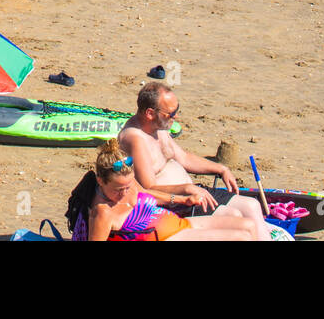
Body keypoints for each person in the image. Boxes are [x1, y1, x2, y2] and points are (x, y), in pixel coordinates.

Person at [118, 82, 269, 231]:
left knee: (252, 206)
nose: (176, 116)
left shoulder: (159, 126)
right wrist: (187, 189)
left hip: (193, 192)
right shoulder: (135, 139)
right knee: (234, 216)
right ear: (150, 113)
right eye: (171, 113)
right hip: (173, 205)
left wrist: (221, 168)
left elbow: (183, 157)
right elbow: (148, 188)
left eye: (176, 109)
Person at [71, 140, 267, 241]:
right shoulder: (102, 212)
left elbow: (149, 194)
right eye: (118, 189)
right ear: (100, 181)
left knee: (248, 225)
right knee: (241, 238)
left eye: (128, 185)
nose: (125, 192)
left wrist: (182, 200)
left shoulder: (130, 185)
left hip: (177, 224)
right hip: (166, 237)